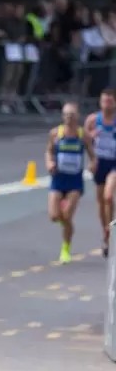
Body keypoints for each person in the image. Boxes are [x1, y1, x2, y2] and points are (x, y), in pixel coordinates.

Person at [46, 103, 95, 264]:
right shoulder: (55, 133)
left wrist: (93, 164)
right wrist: (49, 163)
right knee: (54, 216)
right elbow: (49, 151)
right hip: (58, 179)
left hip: (75, 181)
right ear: (62, 116)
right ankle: (66, 222)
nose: (69, 118)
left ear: (77, 116)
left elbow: (92, 154)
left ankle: (65, 248)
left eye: (72, 115)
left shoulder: (82, 134)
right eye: (66, 115)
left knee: (67, 216)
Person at [83, 89, 116, 256]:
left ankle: (111, 231)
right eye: (104, 102)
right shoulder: (93, 120)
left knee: (108, 196)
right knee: (101, 201)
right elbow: (84, 140)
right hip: (100, 162)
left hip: (114, 163)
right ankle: (106, 233)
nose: (106, 105)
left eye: (109, 102)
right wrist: (91, 136)